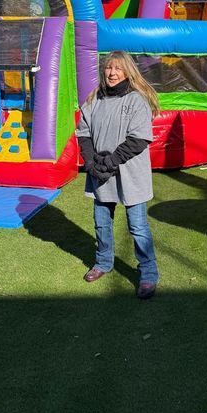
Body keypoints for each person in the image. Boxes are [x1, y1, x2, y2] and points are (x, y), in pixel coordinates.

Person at [76, 50, 160, 299]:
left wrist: (112, 161)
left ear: (128, 72)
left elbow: (138, 139)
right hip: (100, 172)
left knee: (138, 227)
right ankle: (103, 262)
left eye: (118, 69)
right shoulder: (95, 99)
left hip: (129, 173)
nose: (112, 73)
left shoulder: (136, 100)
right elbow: (84, 133)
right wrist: (91, 162)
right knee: (102, 222)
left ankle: (148, 272)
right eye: (108, 68)